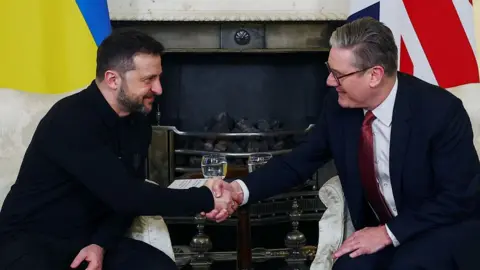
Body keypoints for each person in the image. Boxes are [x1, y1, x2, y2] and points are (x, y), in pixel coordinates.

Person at [206, 17, 480, 270]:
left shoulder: (440, 112)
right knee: (347, 267)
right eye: (329, 70)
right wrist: (240, 189)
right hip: (379, 232)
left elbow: (459, 198)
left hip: (438, 229)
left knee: (409, 265)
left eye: (338, 75)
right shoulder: (340, 108)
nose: (329, 81)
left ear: (374, 75)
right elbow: (299, 162)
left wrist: (388, 233)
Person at [0, 29, 238, 270]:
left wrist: (100, 243)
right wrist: (206, 198)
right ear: (113, 79)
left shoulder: (138, 122)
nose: (158, 89)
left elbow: (127, 197)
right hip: (30, 241)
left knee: (159, 267)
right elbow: (127, 196)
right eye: (148, 80)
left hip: (86, 241)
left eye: (159, 78)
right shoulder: (70, 120)